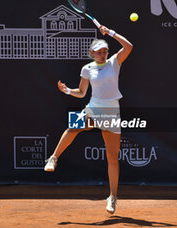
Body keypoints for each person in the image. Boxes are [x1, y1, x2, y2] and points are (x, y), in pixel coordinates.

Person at [44, 25, 133, 214]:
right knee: (72, 128)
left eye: (105, 51)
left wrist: (110, 32)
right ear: (92, 53)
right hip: (93, 107)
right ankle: (53, 158)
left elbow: (129, 46)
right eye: (99, 52)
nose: (103, 54)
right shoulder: (87, 69)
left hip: (111, 111)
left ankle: (113, 197)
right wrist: (67, 91)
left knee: (112, 158)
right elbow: (82, 92)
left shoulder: (114, 62)